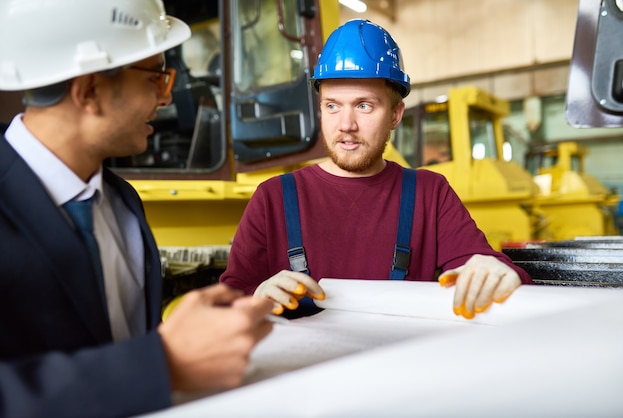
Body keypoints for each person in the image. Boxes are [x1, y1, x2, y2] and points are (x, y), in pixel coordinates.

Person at [0, 1, 274, 417]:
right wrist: (162, 363)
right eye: (157, 78)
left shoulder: (122, 204)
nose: (165, 99)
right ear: (90, 90)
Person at [220, 19, 533, 320]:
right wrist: (254, 297)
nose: (346, 125)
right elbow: (228, 301)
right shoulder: (273, 198)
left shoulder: (429, 194)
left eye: (364, 105)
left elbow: (491, 271)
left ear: (396, 114)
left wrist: (495, 270)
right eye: (332, 105)